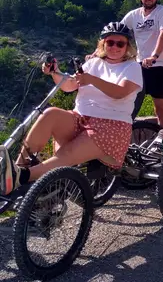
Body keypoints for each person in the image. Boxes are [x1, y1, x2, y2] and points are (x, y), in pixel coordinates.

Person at [0, 23, 142, 195]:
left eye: (121, 44)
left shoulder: (132, 67)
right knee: (50, 114)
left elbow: (120, 92)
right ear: (103, 44)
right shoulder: (93, 63)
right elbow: (69, 86)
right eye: (110, 42)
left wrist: (92, 80)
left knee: (66, 153)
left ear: (128, 47)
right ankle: (16, 170)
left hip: (111, 127)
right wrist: (55, 72)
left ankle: (22, 177)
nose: (115, 47)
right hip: (80, 118)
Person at [122, 0, 163, 127]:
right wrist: (97, 53)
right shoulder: (134, 15)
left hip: (159, 65)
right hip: (140, 66)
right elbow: (116, 32)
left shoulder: (162, 11)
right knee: (130, 104)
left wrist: (154, 56)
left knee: (161, 109)